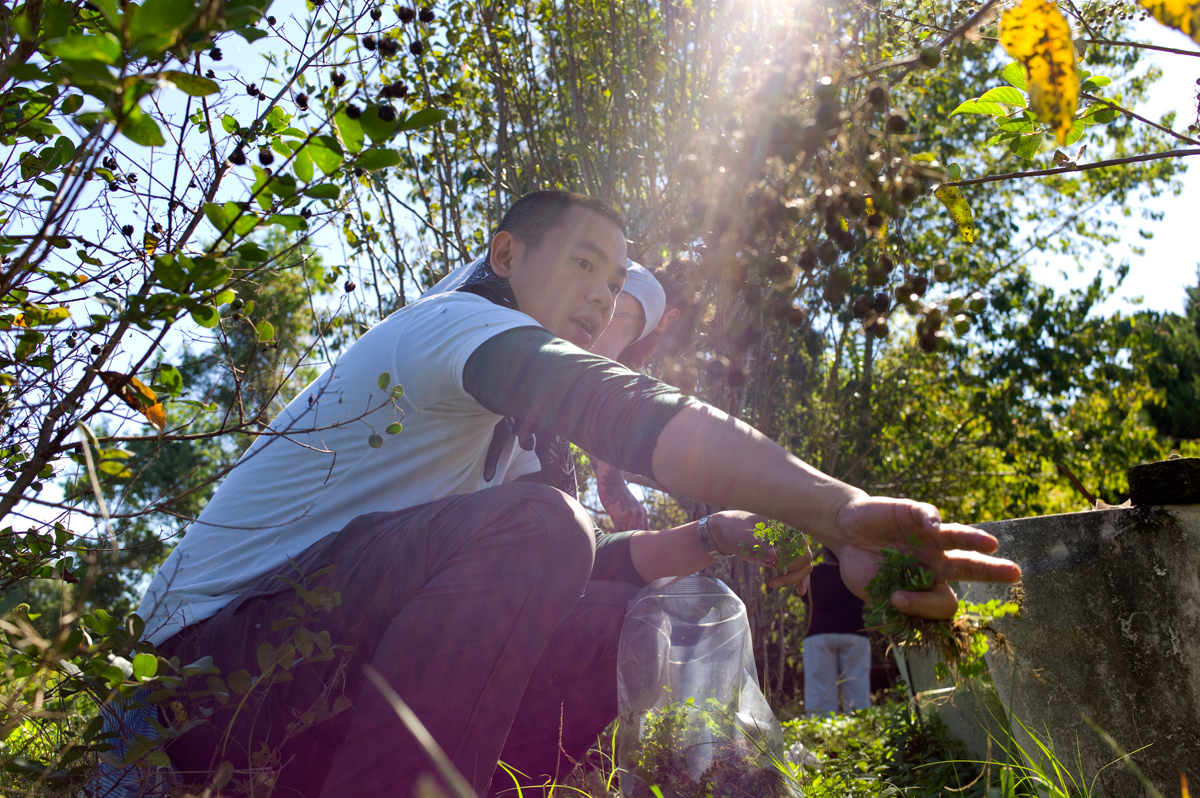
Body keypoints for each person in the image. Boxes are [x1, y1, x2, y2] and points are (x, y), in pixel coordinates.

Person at [134, 191, 1020, 797]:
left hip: (299, 683)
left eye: (616, 287)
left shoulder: (502, 454)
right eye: (586, 267)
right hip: (204, 670)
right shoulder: (451, 327)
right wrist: (836, 511)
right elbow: (619, 413)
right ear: (506, 253)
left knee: (612, 623)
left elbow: (583, 563)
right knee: (544, 528)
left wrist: (720, 534)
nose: (601, 302)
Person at [802, 546, 871, 715]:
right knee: (857, 684)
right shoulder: (857, 573)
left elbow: (804, 597)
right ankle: (860, 725)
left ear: (824, 552)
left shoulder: (812, 573)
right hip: (854, 631)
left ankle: (821, 731)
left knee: (819, 687)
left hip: (819, 632)